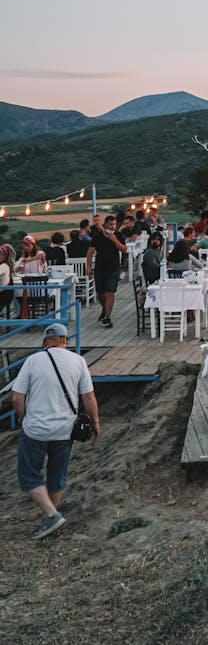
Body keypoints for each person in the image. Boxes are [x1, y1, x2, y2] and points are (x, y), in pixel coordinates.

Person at [11, 322, 100, 539]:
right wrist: (96, 422)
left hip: (36, 430)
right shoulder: (78, 361)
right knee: (57, 475)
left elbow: (17, 397)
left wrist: (23, 418)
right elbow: (88, 397)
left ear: (45, 342)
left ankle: (51, 516)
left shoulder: (32, 361)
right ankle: (51, 518)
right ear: (64, 340)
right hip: (64, 430)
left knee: (29, 475)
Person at [86, 214, 127, 328]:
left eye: (114, 224)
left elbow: (124, 250)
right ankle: (105, 308)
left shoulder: (118, 235)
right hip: (100, 268)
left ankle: (107, 317)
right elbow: (90, 252)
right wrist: (88, 266)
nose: (113, 226)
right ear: (105, 224)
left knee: (110, 292)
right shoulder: (98, 237)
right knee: (100, 293)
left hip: (113, 268)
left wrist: (115, 240)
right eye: (111, 224)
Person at [0, 243, 16, 313]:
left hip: (2, 297)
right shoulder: (6, 266)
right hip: (6, 295)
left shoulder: (4, 266)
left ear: (4, 256)